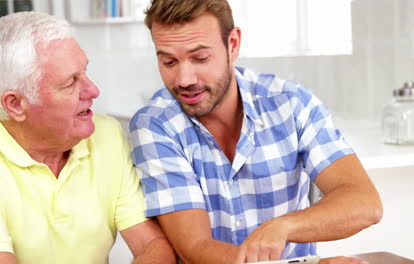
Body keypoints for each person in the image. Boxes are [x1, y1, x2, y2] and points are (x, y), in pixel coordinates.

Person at [130, 0, 383, 263]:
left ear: (233, 45)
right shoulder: (155, 125)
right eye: (169, 62)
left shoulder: (290, 103)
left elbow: (364, 202)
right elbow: (195, 248)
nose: (184, 79)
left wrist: (283, 227)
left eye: (200, 58)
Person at [0, 12, 176, 264]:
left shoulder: (107, 135)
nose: (93, 90)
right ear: (16, 104)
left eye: (84, 71)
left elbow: (153, 245)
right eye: (70, 82)